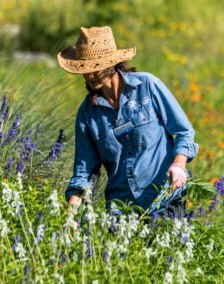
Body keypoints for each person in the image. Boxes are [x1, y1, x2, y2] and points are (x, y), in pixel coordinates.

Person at [56, 26, 199, 216]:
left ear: (111, 64)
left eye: (95, 67)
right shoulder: (87, 113)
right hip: (121, 212)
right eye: (85, 69)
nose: (89, 75)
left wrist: (179, 165)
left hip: (164, 201)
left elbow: (184, 132)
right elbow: (85, 172)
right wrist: (71, 214)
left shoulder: (147, 86)